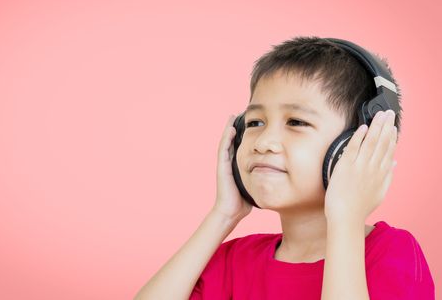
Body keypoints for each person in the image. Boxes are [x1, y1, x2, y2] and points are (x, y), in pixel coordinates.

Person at [134, 36, 435, 299]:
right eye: (254, 123)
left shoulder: (392, 253)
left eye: (296, 122)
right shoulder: (234, 261)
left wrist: (346, 219)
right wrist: (222, 215)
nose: (264, 142)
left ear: (359, 143)